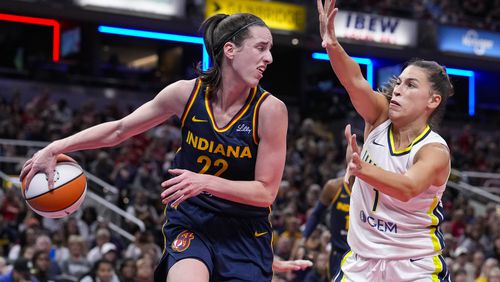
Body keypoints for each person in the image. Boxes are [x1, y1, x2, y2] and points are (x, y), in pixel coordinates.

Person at [20, 12, 292, 282]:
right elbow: (119, 129)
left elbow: (265, 192)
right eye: (261, 48)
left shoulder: (270, 110)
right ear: (230, 50)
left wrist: (205, 182)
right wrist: (55, 148)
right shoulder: (186, 94)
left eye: (269, 49)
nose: (269, 58)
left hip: (245, 232)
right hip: (192, 221)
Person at [317, 0, 454, 281]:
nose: (399, 90)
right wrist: (332, 45)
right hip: (362, 263)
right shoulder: (379, 116)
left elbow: (407, 188)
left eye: (411, 85)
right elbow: (355, 81)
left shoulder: (433, 150)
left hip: (414, 266)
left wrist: (360, 168)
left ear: (433, 100)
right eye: (400, 82)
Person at [299, 126, 357, 280]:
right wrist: (303, 239)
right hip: (338, 252)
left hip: (359, 252)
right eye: (352, 155)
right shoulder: (334, 187)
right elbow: (317, 213)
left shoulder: (372, 191)